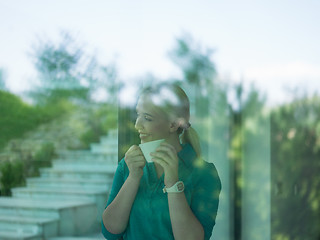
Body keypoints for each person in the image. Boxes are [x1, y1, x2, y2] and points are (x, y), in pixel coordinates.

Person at [102, 82, 221, 240]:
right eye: (138, 115)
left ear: (173, 124)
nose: (137, 125)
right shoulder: (128, 165)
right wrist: (133, 178)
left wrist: (173, 184)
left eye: (147, 118)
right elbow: (110, 232)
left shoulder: (204, 173)